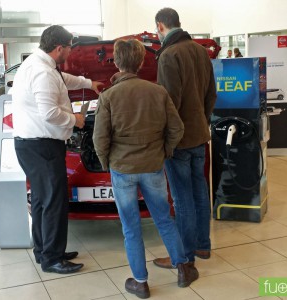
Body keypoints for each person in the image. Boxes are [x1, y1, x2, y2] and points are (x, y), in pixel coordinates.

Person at [93, 39, 199, 299]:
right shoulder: (158, 92)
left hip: (123, 169)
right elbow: (177, 129)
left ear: (116, 62)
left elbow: (100, 139)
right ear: (141, 62)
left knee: (130, 227)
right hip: (153, 166)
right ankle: (183, 268)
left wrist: (107, 163)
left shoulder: (108, 97)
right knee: (163, 219)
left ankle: (140, 282)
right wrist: (164, 151)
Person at [11, 25, 103, 274]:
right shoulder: (42, 72)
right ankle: (52, 258)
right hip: (42, 146)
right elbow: (50, 113)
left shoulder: (39, 65)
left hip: (33, 145)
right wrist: (75, 119)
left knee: (42, 200)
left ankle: (45, 250)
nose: (71, 53)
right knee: (53, 201)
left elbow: (64, 81)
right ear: (59, 47)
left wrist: (89, 82)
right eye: (70, 48)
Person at [153, 8, 217, 269]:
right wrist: (202, 119)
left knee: (182, 197)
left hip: (178, 140)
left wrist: (166, 137)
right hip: (200, 134)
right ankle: (203, 245)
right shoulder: (200, 50)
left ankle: (184, 254)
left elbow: (170, 103)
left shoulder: (169, 55)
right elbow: (212, 93)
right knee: (200, 191)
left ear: (160, 26)